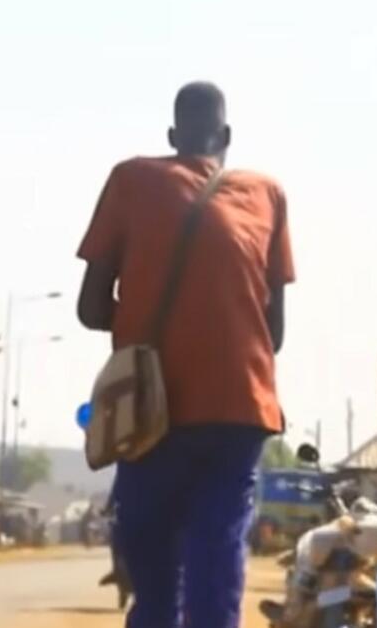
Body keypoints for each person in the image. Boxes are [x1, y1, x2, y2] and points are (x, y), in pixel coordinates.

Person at [77, 82, 295, 628]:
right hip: (237, 410)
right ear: (227, 137)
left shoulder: (131, 179)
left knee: (152, 572)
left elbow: (88, 307)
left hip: (152, 409)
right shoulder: (267, 194)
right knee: (216, 557)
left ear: (172, 137)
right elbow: (275, 331)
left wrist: (145, 322)